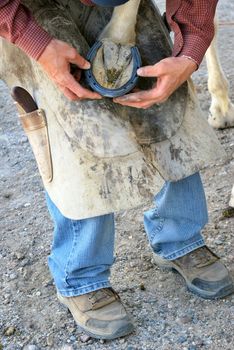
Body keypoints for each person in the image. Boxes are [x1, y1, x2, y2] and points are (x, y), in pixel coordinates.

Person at [0, 0, 233, 340]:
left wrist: (189, 53)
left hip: (127, 5)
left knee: (167, 106)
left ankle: (179, 236)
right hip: (35, 6)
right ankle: (81, 274)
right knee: (74, 129)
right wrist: (34, 39)